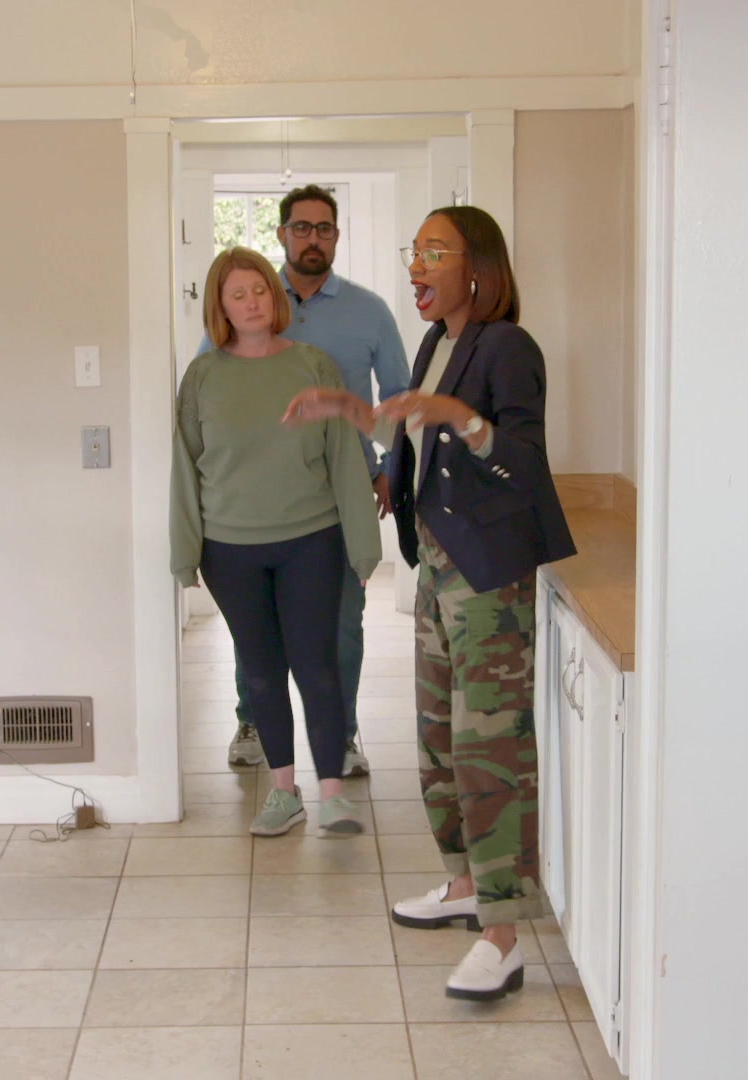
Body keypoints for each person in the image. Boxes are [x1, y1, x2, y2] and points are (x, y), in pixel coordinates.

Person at [282, 206, 576, 998]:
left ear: (477, 267)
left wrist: (458, 416)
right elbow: (413, 434)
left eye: (434, 252)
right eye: (414, 251)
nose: (416, 265)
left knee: (489, 750)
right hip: (438, 566)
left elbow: (521, 463)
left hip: (487, 574)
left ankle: (503, 935)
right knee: (439, 737)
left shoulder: (507, 346)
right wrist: (357, 415)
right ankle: (465, 882)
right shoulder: (437, 342)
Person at [199, 184, 410, 778]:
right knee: (258, 627)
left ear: (337, 236)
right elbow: (210, 384)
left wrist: (389, 468)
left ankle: (340, 734)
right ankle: (252, 721)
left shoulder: (369, 311)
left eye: (323, 228)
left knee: (341, 624)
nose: (312, 238)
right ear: (282, 234)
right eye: (300, 227)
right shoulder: (248, 300)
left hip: (340, 496)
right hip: (256, 498)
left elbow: (397, 397)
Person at [171, 246, 382, 838]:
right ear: (220, 307)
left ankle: (333, 794)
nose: (252, 302)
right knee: (261, 671)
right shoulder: (203, 377)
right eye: (237, 294)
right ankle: (284, 794)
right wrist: (184, 552)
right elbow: (185, 468)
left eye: (260, 289)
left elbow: (344, 458)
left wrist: (363, 544)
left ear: (275, 295)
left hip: (311, 540)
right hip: (229, 549)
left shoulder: (313, 366)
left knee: (318, 666)